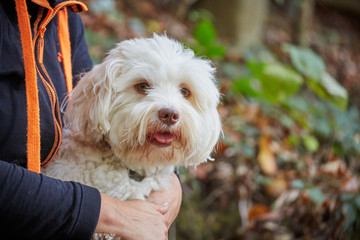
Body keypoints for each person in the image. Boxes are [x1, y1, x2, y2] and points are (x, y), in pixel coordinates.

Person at [0, 0, 182, 239]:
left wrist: (172, 182)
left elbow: (92, 114)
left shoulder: (64, 14)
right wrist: (105, 214)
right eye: (143, 86)